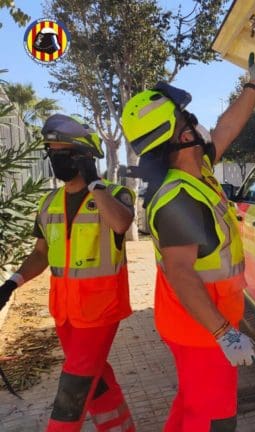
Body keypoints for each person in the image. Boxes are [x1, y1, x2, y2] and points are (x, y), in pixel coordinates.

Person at [120, 55, 255, 431]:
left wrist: (253, 87)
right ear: (181, 134)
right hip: (202, 333)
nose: (196, 123)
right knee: (214, 420)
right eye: (188, 118)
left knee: (190, 409)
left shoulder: (195, 169)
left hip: (199, 327)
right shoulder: (178, 199)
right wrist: (225, 335)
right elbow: (181, 273)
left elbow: (226, 129)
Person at [0, 114, 136, 432]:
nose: (55, 159)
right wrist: (12, 282)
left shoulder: (115, 195)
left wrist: (94, 183)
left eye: (63, 153)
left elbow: (121, 223)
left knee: (73, 386)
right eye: (52, 153)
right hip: (65, 313)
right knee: (97, 378)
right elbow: (40, 254)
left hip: (100, 310)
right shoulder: (48, 204)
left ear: (84, 156)